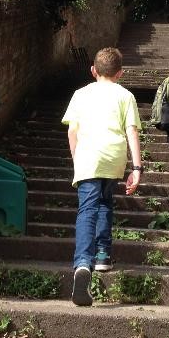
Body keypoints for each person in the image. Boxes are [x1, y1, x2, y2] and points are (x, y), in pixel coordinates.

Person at [62, 47, 142, 307]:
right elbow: (131, 132)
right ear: (120, 73)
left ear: (93, 70)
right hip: (113, 158)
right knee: (106, 203)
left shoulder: (80, 94)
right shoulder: (126, 95)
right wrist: (137, 168)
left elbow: (72, 133)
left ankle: (83, 264)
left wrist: (77, 159)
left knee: (87, 210)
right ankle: (103, 255)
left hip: (88, 158)